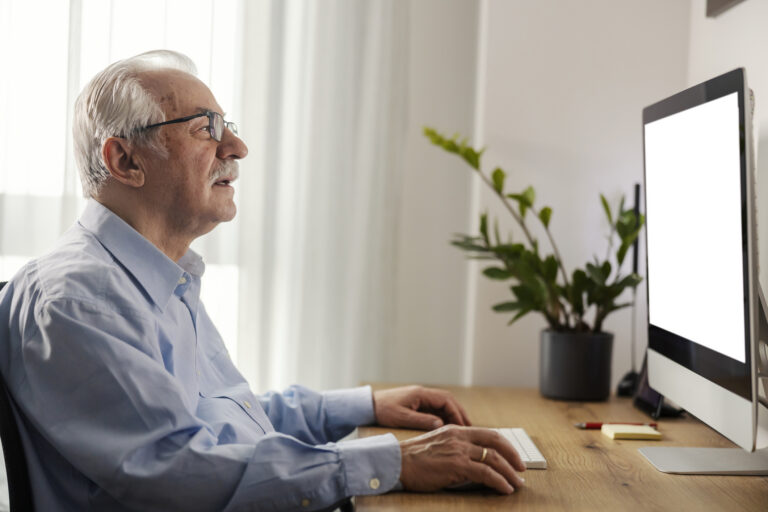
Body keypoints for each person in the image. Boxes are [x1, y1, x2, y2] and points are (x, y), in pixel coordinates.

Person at [0, 50, 525, 511]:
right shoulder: (79, 297)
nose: (237, 147)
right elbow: (178, 469)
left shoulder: (155, 274)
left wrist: (365, 406)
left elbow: (224, 420)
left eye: (227, 124)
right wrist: (391, 460)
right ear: (126, 159)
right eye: (206, 127)